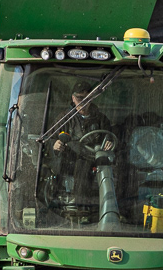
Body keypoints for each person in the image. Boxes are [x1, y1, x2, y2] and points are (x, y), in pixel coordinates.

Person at [44, 80, 117, 223]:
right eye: (79, 98)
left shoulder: (101, 118)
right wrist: (55, 144)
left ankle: (117, 208)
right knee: (82, 166)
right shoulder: (65, 118)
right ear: (73, 98)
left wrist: (110, 141)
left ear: (92, 98)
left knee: (117, 168)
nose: (83, 102)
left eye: (87, 98)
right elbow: (49, 139)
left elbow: (111, 135)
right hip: (71, 160)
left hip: (97, 159)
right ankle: (81, 208)